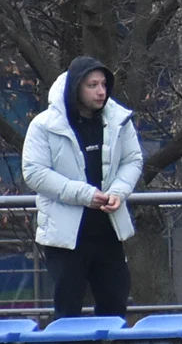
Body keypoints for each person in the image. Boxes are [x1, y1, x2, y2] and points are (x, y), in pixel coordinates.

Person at [22, 56, 143, 319]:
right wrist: (85, 195)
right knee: (68, 311)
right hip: (65, 237)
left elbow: (132, 160)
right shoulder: (43, 125)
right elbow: (34, 172)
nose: (101, 91)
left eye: (103, 85)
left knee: (115, 305)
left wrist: (118, 192)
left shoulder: (119, 120)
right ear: (76, 87)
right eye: (92, 85)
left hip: (109, 230)